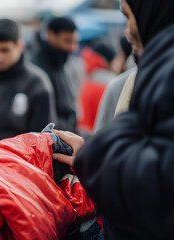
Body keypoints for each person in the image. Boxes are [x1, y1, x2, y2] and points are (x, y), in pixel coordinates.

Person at [52, 0, 174, 238]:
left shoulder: (162, 73)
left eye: (129, 17)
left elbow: (156, 189)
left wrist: (94, 155)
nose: (127, 31)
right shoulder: (142, 76)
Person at [0, 18, 56, 141]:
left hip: (21, 159)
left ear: (19, 46)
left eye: (4, 50)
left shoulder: (37, 83)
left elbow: (44, 139)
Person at [31, 17, 80, 133]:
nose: (72, 47)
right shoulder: (37, 68)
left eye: (74, 42)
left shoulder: (63, 63)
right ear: (51, 35)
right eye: (67, 41)